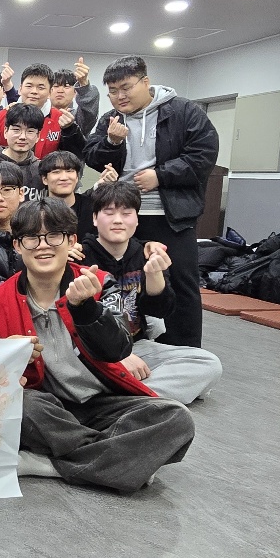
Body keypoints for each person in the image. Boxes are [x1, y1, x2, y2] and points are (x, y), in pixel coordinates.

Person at [0, 198, 196, 491]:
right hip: (47, 408)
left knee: (176, 419)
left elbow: (119, 350)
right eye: (31, 238)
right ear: (18, 246)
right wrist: (8, 354)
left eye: (54, 236)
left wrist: (86, 309)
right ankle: (125, 460)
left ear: (71, 241)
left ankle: (49, 466)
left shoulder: (100, 282)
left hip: (103, 403)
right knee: (16, 404)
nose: (43, 246)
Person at [85, 55, 219, 347]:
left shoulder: (184, 111)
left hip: (171, 217)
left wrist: (161, 176)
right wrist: (112, 142)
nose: (119, 96)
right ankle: (130, 346)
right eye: (112, 91)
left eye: (126, 88)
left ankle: (185, 351)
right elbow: (92, 156)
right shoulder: (110, 119)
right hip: (124, 216)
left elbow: (204, 154)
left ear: (145, 82)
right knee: (125, 283)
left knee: (180, 283)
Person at [80, 182, 222, 404]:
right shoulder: (80, 256)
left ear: (137, 219)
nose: (118, 220)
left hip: (137, 346)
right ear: (95, 218)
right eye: (109, 212)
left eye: (126, 213)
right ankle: (145, 396)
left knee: (209, 364)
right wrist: (117, 356)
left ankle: (122, 399)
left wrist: (155, 275)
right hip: (91, 350)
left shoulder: (146, 253)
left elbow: (160, 311)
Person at [0, 103, 48, 204]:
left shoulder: (42, 170)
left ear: (38, 136)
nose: (22, 137)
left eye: (30, 131)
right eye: (16, 130)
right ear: (5, 131)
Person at [38, 149, 106, 242]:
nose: (64, 178)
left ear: (77, 177)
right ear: (44, 179)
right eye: (56, 172)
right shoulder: (35, 212)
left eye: (69, 171)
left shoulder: (94, 209)